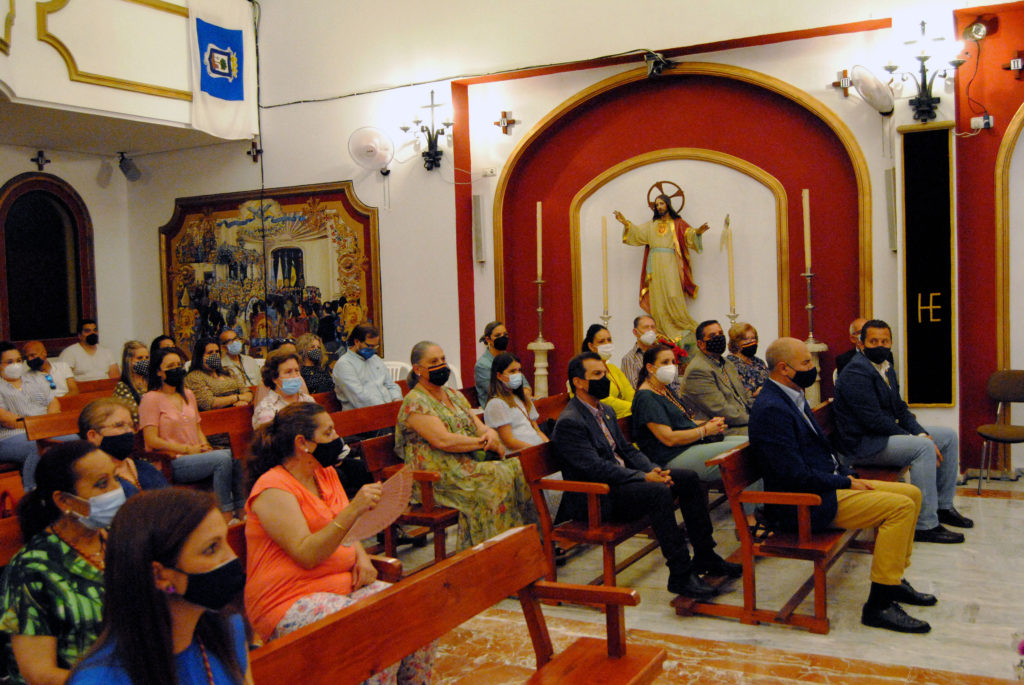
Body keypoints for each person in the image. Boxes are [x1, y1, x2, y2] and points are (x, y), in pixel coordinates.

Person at [749, 337, 936, 633]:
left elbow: (820, 451)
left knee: (911, 494)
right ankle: (879, 604)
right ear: (784, 368)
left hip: (823, 487)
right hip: (804, 504)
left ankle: (893, 580)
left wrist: (846, 475)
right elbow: (792, 475)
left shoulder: (792, 395)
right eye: (806, 363)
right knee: (899, 508)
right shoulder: (772, 409)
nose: (812, 368)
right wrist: (845, 481)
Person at [243, 403, 436, 681]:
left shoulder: (325, 473)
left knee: (416, 615)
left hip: (342, 585)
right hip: (288, 598)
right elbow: (306, 553)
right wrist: (355, 508)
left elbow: (345, 528)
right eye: (328, 432)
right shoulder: (273, 488)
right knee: (376, 635)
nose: (337, 438)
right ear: (302, 443)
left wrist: (362, 557)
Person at [551, 352, 740, 599]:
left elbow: (627, 450)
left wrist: (652, 470)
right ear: (578, 382)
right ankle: (680, 574)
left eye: (604, 373)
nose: (604, 379)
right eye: (597, 375)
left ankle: (706, 555)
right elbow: (596, 468)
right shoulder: (571, 421)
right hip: (597, 497)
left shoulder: (605, 410)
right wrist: (643, 477)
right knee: (658, 492)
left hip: (621, 483)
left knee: (688, 479)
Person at [68, 489, 252, 685]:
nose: (232, 557)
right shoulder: (100, 680)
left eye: (225, 541)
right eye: (212, 548)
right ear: (159, 575)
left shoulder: (229, 629)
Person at [833, 319, 971, 544]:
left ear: (891, 342)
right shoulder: (855, 373)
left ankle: (943, 507)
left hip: (880, 437)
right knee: (923, 448)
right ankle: (925, 525)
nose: (880, 346)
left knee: (947, 436)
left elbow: (899, 409)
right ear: (861, 343)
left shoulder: (885, 366)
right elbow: (874, 421)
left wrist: (922, 434)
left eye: (885, 341)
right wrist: (917, 440)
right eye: (873, 341)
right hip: (861, 445)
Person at [0, 441, 125, 683]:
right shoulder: (31, 570)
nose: (116, 490)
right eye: (102, 484)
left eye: (115, 478)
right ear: (65, 501)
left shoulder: (121, 537)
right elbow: (38, 673)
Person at [395, 341, 534, 550]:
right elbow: (443, 440)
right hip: (435, 476)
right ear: (418, 369)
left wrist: (489, 433)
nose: (441, 365)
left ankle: (521, 544)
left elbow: (479, 426)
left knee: (518, 468)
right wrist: (482, 442)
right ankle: (486, 551)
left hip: (466, 464)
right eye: (433, 361)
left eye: (443, 359)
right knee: (495, 479)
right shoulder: (415, 402)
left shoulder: (453, 394)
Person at [138, 348, 245, 520]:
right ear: (159, 372)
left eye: (179, 365)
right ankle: (224, 513)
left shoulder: (187, 394)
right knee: (222, 459)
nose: (176, 369)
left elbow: (198, 428)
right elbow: (151, 440)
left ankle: (241, 511)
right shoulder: (150, 399)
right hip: (173, 461)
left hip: (197, 455)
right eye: (170, 366)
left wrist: (205, 446)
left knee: (235, 461)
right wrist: (186, 449)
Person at [631, 344, 746, 478]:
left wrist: (710, 423)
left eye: (673, 362)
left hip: (689, 445)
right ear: (650, 367)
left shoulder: (664, 389)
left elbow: (683, 422)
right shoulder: (646, 397)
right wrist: (704, 430)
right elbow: (669, 439)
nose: (671, 366)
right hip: (671, 456)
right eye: (665, 362)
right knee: (743, 454)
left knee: (750, 442)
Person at [613, 193, 711, 347]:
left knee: (673, 294)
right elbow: (637, 233)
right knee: (657, 296)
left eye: (661, 203)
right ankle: (661, 330)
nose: (659, 207)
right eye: (657, 204)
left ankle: (679, 325)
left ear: (668, 205)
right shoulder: (651, 225)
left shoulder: (677, 223)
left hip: (670, 262)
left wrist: (698, 232)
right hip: (655, 265)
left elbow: (688, 234)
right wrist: (625, 223)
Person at [0, 341, 62, 490]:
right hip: (11, 435)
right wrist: (38, 427)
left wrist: (47, 424)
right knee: (37, 446)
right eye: (10, 362)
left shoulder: (37, 378)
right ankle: (32, 492)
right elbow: (7, 419)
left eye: (18, 361)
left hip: (45, 429)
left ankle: (65, 488)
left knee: (74, 439)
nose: (16, 365)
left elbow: (53, 403)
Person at [78, 397, 168, 497]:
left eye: (131, 425)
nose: (129, 431)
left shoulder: (146, 468)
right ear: (93, 436)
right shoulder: (96, 481)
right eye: (119, 425)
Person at [682, 320, 753, 435]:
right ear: (701, 344)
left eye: (720, 333)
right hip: (721, 429)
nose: (719, 338)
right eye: (712, 336)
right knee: (768, 432)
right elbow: (720, 410)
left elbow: (743, 396)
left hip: (741, 421)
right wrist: (755, 420)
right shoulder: (698, 370)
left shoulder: (726, 363)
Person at [483, 353, 548, 451]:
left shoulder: (522, 398)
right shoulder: (496, 403)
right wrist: (535, 451)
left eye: (519, 370)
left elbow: (537, 430)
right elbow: (509, 441)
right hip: (519, 454)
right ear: (499, 376)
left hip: (535, 450)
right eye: (512, 371)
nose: (517, 375)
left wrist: (547, 446)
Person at [332, 324, 401, 411]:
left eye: (376, 346)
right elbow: (359, 397)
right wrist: (386, 408)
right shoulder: (344, 365)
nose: (373, 349)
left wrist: (396, 400)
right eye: (370, 346)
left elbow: (391, 385)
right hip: (362, 414)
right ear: (357, 342)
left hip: (387, 409)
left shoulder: (375, 359)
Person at [184, 337, 254, 411]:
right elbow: (209, 403)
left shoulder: (228, 371)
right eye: (210, 352)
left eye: (217, 352)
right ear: (200, 356)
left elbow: (247, 392)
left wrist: (244, 400)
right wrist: (237, 398)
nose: (215, 355)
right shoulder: (194, 377)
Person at [580, 324, 634, 418]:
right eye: (601, 341)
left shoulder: (612, 368)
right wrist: (634, 407)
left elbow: (629, 392)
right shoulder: (585, 370)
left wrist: (639, 404)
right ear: (591, 346)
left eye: (609, 340)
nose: (607, 344)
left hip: (623, 417)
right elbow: (603, 400)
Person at [252, 351, 315, 428]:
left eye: (296, 370)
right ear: (274, 378)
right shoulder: (266, 409)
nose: (295, 376)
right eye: (288, 372)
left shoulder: (308, 400)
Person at [620, 315, 669, 391]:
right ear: (635, 332)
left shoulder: (665, 354)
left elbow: (675, 384)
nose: (650, 331)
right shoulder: (629, 359)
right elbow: (636, 389)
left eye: (653, 327)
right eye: (646, 327)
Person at [725, 322, 769, 397]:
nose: (751, 341)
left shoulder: (758, 362)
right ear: (736, 343)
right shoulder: (729, 364)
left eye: (753, 338)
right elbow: (733, 394)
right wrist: (755, 394)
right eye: (745, 339)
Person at [475, 321, 513, 406]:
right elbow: (497, 392)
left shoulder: (510, 359)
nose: (503, 338)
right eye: (498, 335)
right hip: (496, 408)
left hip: (513, 404)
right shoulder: (482, 365)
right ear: (488, 339)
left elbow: (524, 384)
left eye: (505, 335)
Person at [112, 341, 149, 423]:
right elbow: (131, 415)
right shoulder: (122, 386)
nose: (145, 361)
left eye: (147, 358)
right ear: (129, 361)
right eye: (140, 358)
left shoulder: (151, 381)